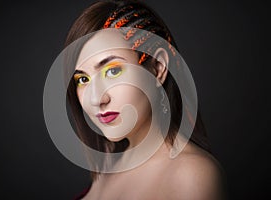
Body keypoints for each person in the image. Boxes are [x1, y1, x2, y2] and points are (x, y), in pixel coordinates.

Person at [63, 0, 226, 199]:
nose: (96, 98)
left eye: (113, 71)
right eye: (83, 79)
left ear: (158, 68)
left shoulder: (190, 176)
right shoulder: (107, 164)